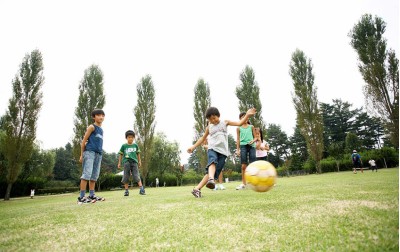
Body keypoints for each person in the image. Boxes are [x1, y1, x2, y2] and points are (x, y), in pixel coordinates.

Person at [187, 107, 256, 198]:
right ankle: (211, 179)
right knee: (213, 161)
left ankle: (197, 189)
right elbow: (202, 138)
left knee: (211, 172)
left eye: (214, 118)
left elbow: (239, 123)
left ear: (218, 116)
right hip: (213, 148)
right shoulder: (209, 127)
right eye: (210, 119)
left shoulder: (225, 122)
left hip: (223, 153)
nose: (213, 120)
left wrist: (247, 115)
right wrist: (193, 146)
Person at [77, 108, 106, 204]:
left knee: (94, 176)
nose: (101, 117)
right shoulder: (91, 127)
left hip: (98, 153)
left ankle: (92, 195)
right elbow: (83, 141)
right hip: (89, 152)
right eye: (98, 115)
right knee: (87, 174)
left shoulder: (101, 130)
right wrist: (81, 155)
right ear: (94, 117)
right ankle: (81, 197)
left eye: (102, 115)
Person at [118, 130, 145, 196]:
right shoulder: (124, 146)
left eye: (132, 137)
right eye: (129, 137)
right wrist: (119, 163)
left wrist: (139, 161)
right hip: (126, 162)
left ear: (134, 138)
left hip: (134, 162)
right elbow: (121, 154)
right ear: (126, 138)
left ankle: (141, 189)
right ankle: (126, 191)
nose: (130, 138)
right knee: (126, 176)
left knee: (136, 175)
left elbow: (138, 154)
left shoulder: (135, 145)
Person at [235, 112, 257, 190]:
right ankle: (244, 183)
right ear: (240, 119)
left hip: (252, 146)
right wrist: (238, 150)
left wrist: (253, 141)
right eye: (242, 117)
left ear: (248, 118)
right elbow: (237, 139)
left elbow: (255, 137)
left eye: (245, 116)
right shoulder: (238, 128)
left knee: (253, 165)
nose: (244, 118)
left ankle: (254, 182)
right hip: (243, 146)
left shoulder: (251, 127)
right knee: (244, 166)